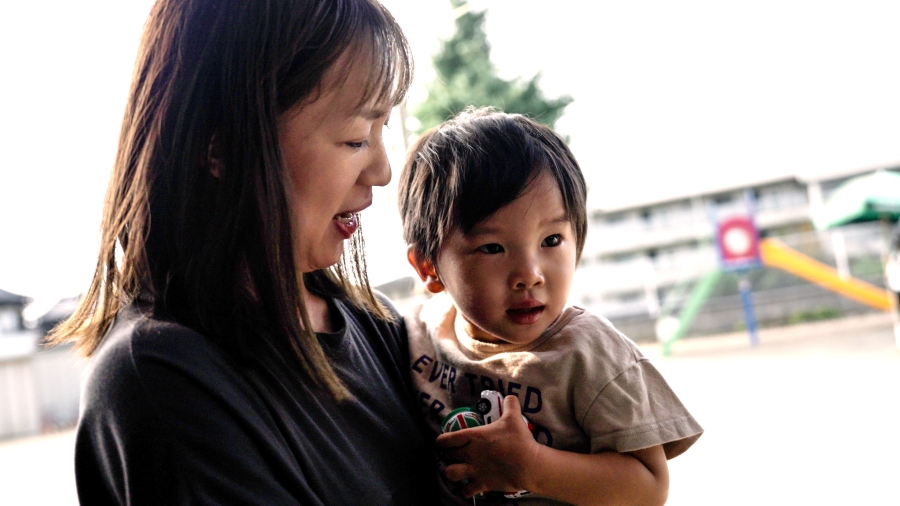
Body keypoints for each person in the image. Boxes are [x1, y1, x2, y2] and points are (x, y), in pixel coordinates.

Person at [48, 0, 436, 504]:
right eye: (356, 138)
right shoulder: (165, 381)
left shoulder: (376, 323)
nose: (383, 172)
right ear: (222, 149)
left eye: (383, 130)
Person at [398, 107, 704, 505]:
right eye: (493, 248)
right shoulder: (420, 331)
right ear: (429, 267)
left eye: (551, 241)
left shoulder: (592, 355)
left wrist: (532, 466)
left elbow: (649, 487)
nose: (530, 274)